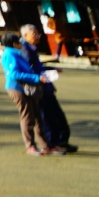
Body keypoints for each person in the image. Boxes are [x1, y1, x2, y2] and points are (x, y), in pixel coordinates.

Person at [20, 23, 77, 154]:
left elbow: (39, 68)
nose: (38, 36)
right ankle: (52, 142)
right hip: (39, 89)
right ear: (25, 35)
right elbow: (31, 70)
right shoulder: (26, 51)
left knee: (57, 115)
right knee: (47, 117)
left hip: (46, 87)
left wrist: (51, 72)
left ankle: (62, 141)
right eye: (34, 34)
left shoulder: (31, 49)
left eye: (38, 33)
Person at [3, 30, 61, 155]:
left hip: (27, 88)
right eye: (19, 42)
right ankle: (30, 146)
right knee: (27, 117)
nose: (21, 43)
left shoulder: (16, 53)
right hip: (17, 88)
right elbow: (14, 74)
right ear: (14, 44)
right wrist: (37, 78)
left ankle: (46, 146)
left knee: (38, 117)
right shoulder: (10, 55)